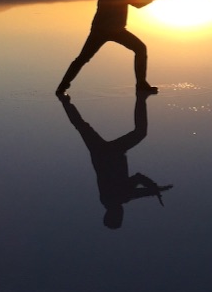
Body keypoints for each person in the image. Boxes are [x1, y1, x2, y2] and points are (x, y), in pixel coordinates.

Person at [57, 89, 172, 229]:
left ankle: (141, 96)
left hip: (107, 154)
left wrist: (154, 190)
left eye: (119, 217)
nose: (121, 214)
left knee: (139, 132)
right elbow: (137, 180)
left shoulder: (113, 198)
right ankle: (64, 100)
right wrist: (154, 189)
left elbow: (134, 190)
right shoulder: (114, 198)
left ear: (113, 215)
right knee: (81, 126)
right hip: (102, 153)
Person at [56, 0, 162, 95]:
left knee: (140, 49)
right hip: (101, 30)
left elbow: (137, 4)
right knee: (83, 58)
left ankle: (141, 84)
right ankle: (62, 87)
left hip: (118, 30)